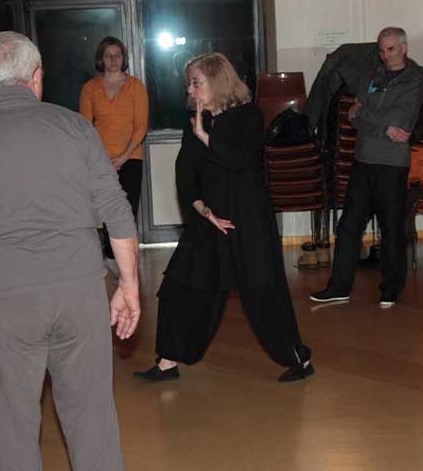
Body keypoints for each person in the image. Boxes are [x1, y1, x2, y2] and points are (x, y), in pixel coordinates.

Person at [0, 31, 140, 471]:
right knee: (92, 422)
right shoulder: (75, 127)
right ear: (37, 77)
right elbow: (117, 212)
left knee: (11, 427)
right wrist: (129, 285)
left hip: (4, 302)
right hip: (79, 294)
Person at [133, 52, 314, 383]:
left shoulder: (248, 116)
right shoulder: (195, 120)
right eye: (188, 84)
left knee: (261, 293)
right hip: (209, 218)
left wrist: (205, 135)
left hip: (247, 220)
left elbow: (238, 161)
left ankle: (298, 359)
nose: (190, 90)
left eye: (196, 82)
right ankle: (168, 361)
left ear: (217, 81)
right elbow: (185, 171)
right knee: (179, 286)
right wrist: (201, 208)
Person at [310, 27, 423, 308]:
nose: (385, 55)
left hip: (392, 164)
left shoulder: (415, 81)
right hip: (363, 161)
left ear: (404, 47)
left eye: (391, 49)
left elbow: (401, 122)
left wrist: (367, 114)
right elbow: (353, 116)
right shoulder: (370, 78)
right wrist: (382, 126)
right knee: (348, 226)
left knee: (391, 229)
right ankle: (338, 287)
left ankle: (390, 289)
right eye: (381, 50)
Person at [79, 37, 149, 262]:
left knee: (127, 212)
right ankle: (112, 258)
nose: (113, 60)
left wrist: (124, 157)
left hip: (131, 158)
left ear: (123, 58)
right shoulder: (90, 88)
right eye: (108, 55)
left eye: (117, 55)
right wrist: (100, 160)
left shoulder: (136, 86)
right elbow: (86, 128)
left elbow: (141, 127)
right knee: (108, 214)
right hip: (100, 161)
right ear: (101, 59)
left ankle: (127, 262)